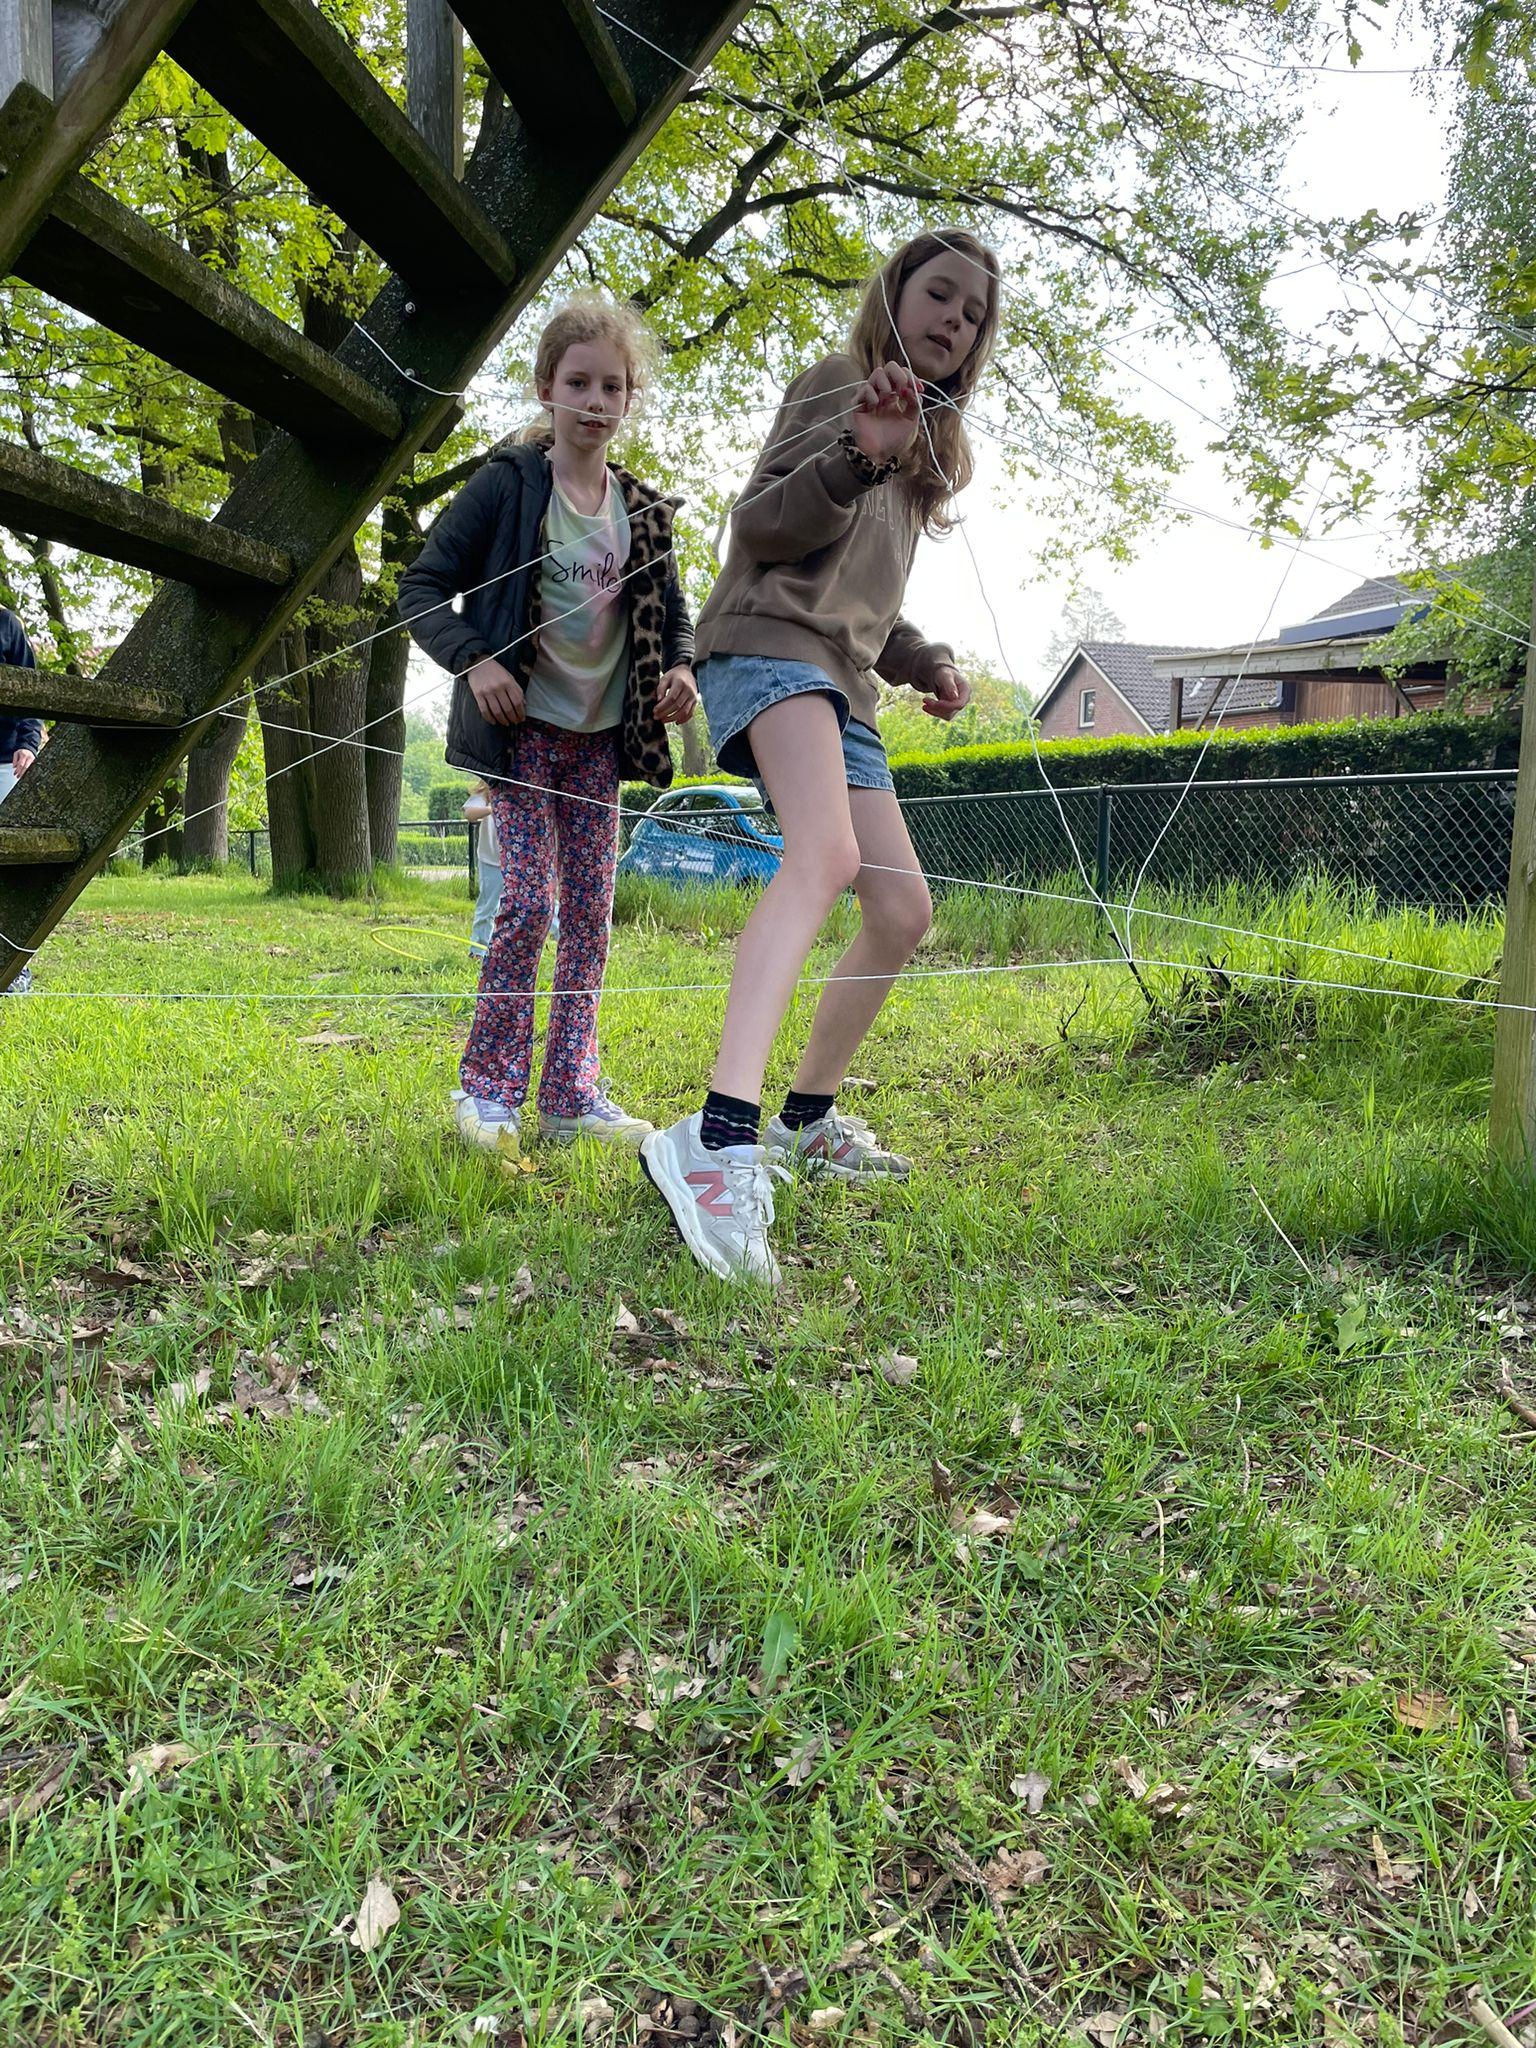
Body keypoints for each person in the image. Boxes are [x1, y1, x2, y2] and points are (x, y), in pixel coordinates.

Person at [639, 229, 1000, 1283]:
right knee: (825, 857)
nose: (954, 319)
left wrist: (925, 659)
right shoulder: (841, 382)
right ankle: (716, 1139)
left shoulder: (923, 451)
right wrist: (855, 453)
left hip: (845, 681)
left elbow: (865, 604)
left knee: (902, 907)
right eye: (940, 294)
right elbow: (760, 529)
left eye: (974, 313)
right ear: (895, 293)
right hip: (767, 647)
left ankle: (803, 1121)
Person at [399, 296, 697, 1160]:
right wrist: (475, 661)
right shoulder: (507, 485)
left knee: (592, 917)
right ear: (546, 388)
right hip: (522, 731)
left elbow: (674, 616)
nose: (596, 402)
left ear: (629, 398)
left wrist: (681, 670)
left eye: (613, 387)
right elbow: (421, 588)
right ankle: (487, 1091)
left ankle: (571, 1096)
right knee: (530, 904)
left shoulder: (642, 510)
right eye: (579, 383)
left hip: (600, 743)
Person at [0, 603, 43, 997]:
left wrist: (29, 744)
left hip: (5, 763)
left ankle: (16, 967)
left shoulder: (7, 624)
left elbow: (32, 689)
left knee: (11, 865)